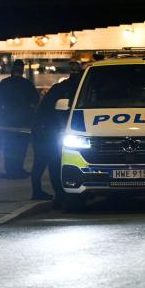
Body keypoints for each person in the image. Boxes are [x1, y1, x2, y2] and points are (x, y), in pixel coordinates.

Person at [31, 61, 83, 204]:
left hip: (44, 128)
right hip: (50, 130)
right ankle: (58, 194)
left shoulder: (59, 88)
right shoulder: (75, 89)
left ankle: (40, 191)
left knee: (42, 162)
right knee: (53, 162)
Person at [0, 59, 39, 178]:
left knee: (9, 146)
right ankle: (18, 169)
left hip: (8, 119)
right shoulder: (27, 83)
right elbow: (35, 99)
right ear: (22, 70)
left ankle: (10, 170)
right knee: (21, 147)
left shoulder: (5, 83)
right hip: (24, 120)